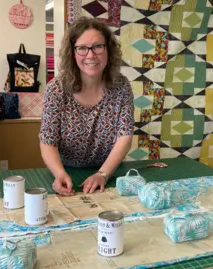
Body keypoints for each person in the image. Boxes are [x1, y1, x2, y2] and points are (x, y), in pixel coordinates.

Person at [39, 17, 134, 196]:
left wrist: (103, 174)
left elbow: (125, 137)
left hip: (110, 171)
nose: (91, 55)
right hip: (67, 171)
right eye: (82, 48)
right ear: (72, 53)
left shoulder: (121, 86)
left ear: (109, 50)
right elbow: (47, 142)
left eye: (98, 46)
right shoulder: (56, 89)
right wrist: (59, 174)